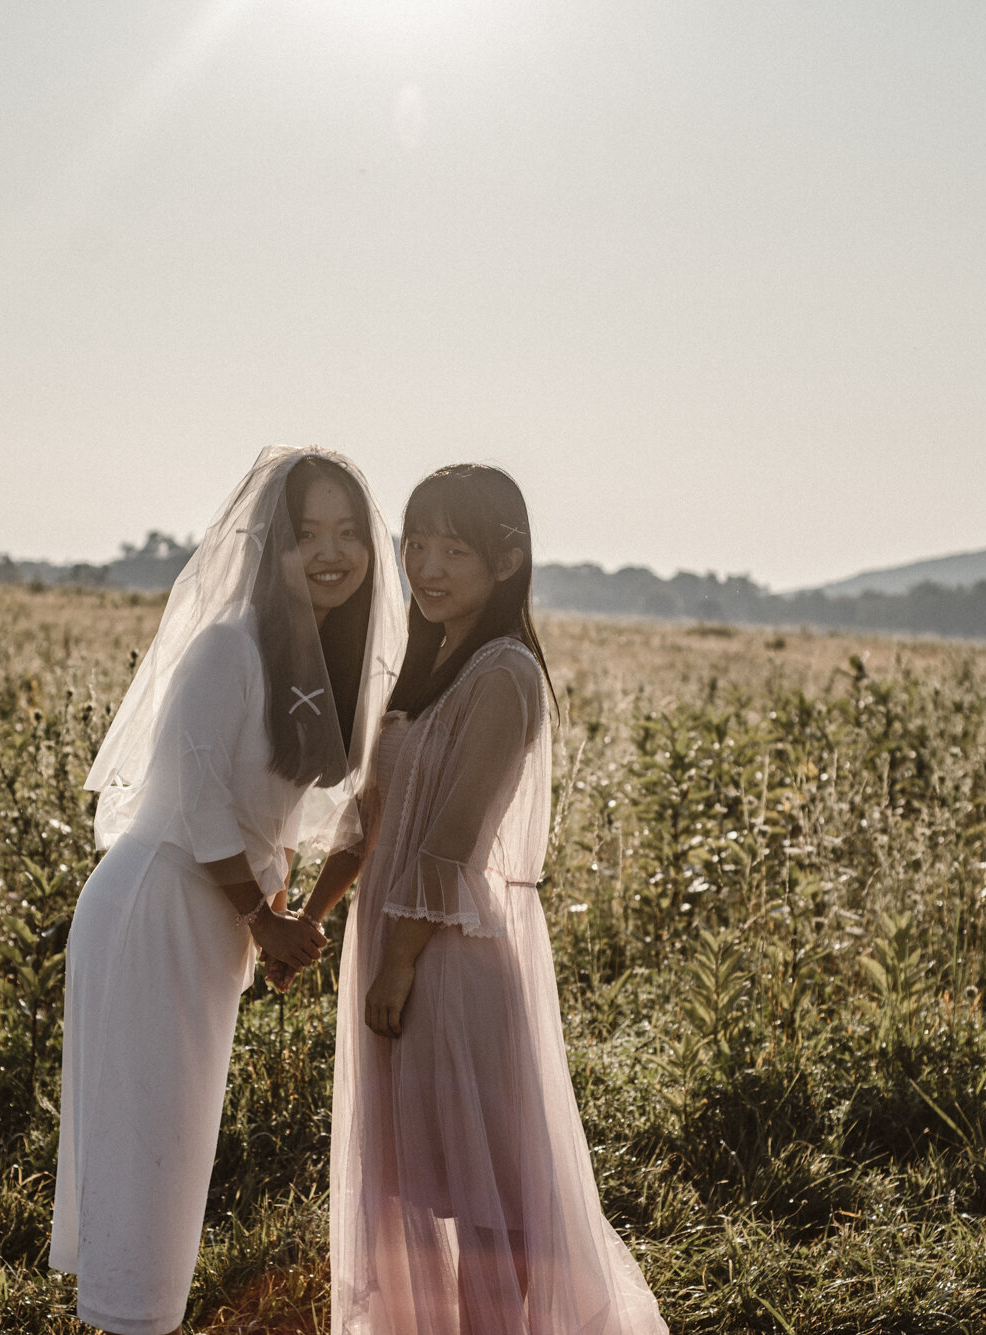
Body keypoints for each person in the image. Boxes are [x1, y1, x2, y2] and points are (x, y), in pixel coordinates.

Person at [285, 464, 667, 1334]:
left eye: (454, 548)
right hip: (395, 954)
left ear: (507, 559)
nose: (427, 566)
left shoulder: (504, 673)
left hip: (448, 960)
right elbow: (370, 815)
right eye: (417, 543)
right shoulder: (426, 662)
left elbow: (452, 834)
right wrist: (312, 911)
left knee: (489, 1206)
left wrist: (401, 961)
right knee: (419, 1193)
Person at [51, 446, 404, 1335]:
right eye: (305, 534)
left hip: (215, 923)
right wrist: (266, 921)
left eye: (347, 532)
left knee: (174, 1147)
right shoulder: (227, 645)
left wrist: (298, 918)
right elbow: (205, 814)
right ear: (267, 546)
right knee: (145, 1142)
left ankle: (139, 1313)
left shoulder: (323, 659)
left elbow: (341, 808)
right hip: (157, 905)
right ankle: (130, 1316)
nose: (330, 552)